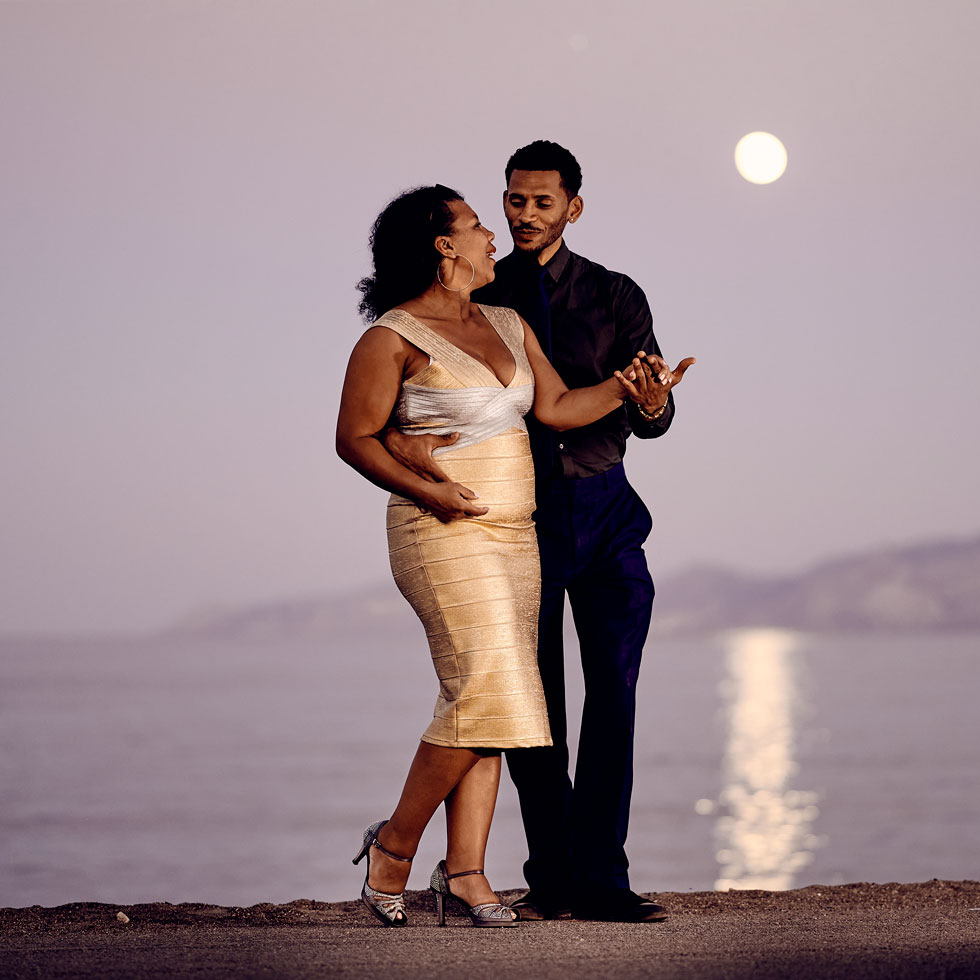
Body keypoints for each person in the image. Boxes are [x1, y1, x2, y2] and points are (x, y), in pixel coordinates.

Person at [336, 183, 660, 928]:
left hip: (518, 538)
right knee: (491, 690)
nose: (493, 236)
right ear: (444, 246)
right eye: (478, 225)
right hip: (442, 531)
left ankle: (469, 875)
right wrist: (431, 492)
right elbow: (354, 437)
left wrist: (626, 386)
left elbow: (556, 409)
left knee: (495, 704)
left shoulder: (508, 323)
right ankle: (392, 848)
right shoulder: (391, 336)